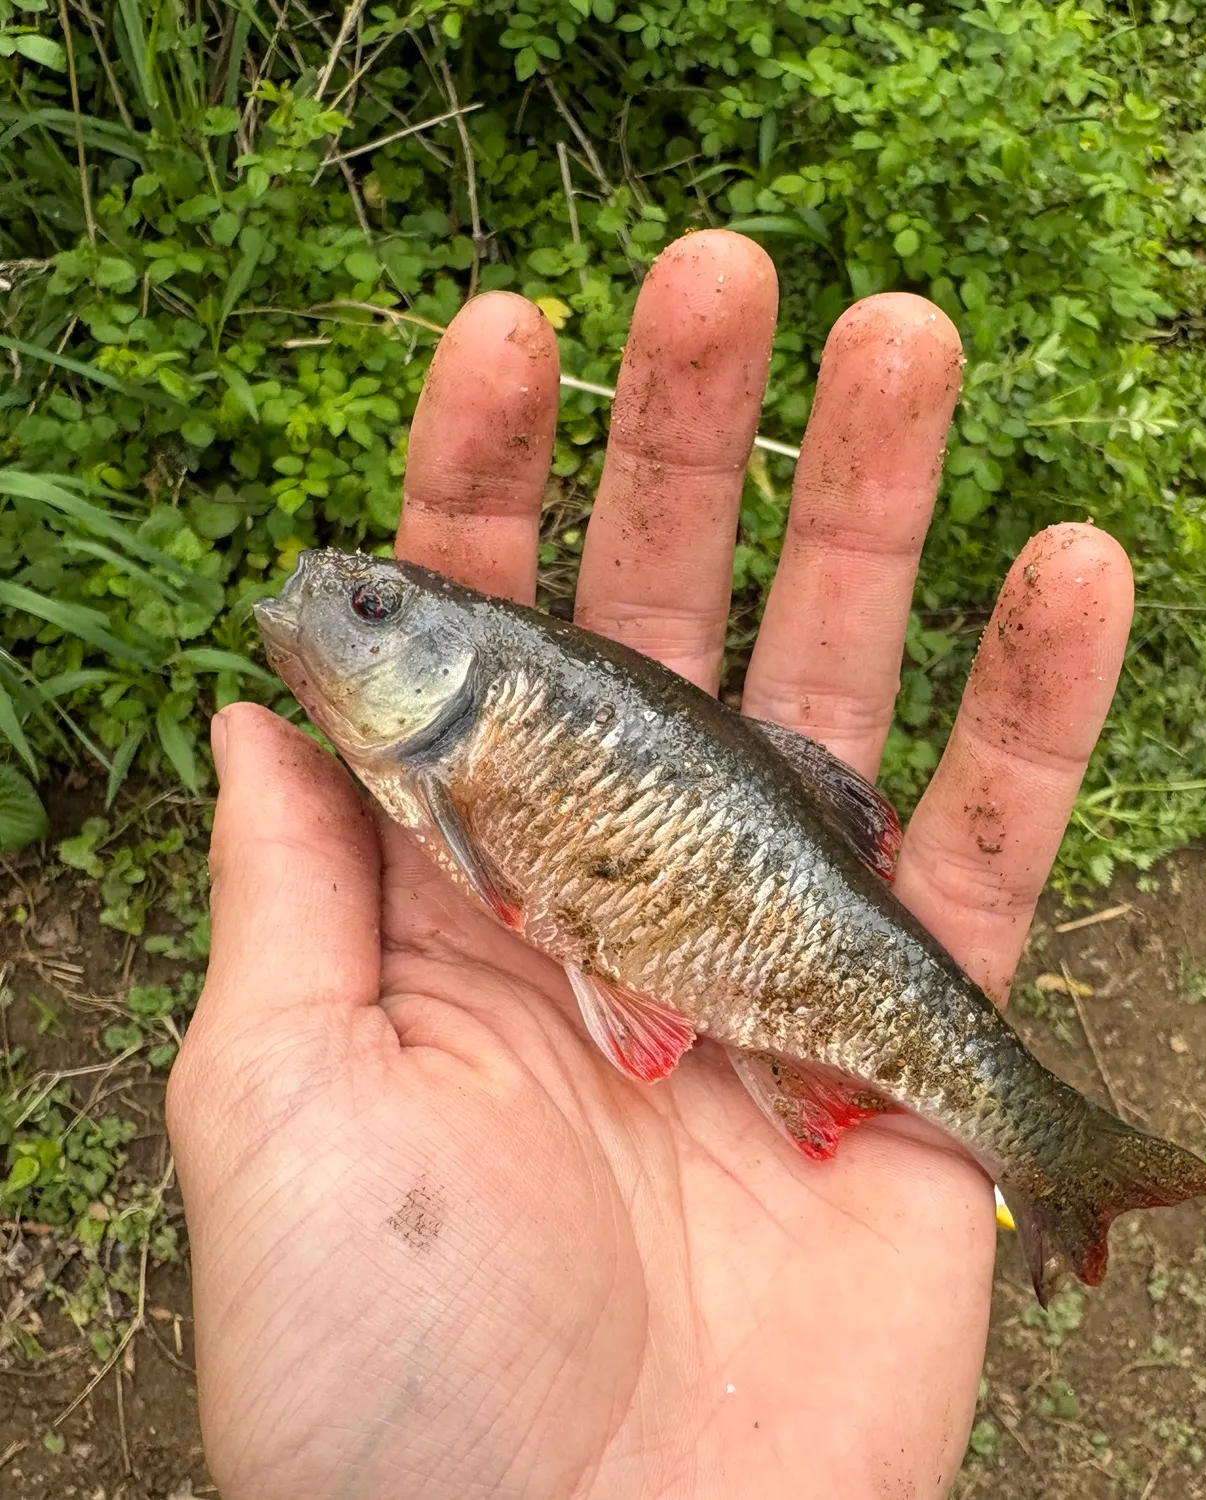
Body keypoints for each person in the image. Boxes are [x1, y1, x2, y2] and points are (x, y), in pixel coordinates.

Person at [166, 230, 1135, 1500]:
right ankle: (1039, 1139)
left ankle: (1044, 1138)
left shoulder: (459, 744)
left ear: (452, 656)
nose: (332, 604)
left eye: (375, 608)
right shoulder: (437, 747)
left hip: (767, 922)